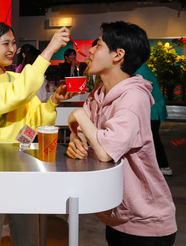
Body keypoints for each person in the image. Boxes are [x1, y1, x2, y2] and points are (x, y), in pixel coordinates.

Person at [0, 22, 75, 246]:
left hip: (23, 165)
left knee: (29, 237)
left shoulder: (17, 79)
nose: (12, 49)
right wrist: (49, 49)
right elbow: (11, 97)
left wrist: (53, 102)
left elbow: (36, 120)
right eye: (5, 43)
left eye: (14, 43)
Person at [66, 21, 177, 246]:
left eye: (98, 44)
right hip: (117, 217)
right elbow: (82, 128)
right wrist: (75, 140)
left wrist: (78, 114)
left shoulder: (133, 98)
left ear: (118, 55)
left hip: (146, 223)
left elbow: (106, 150)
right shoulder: (99, 93)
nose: (90, 51)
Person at [135, 63, 172, 176]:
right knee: (152, 138)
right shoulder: (140, 66)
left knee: (152, 139)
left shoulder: (137, 68)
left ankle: (164, 166)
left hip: (152, 109)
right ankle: (161, 166)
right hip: (153, 108)